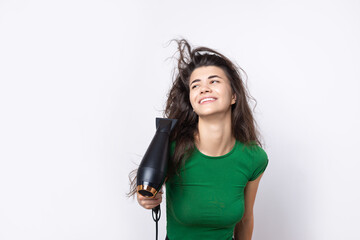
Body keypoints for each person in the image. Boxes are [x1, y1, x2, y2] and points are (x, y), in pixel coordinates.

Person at [129, 39, 269, 240]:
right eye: (196, 85)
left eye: (214, 81)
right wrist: (147, 198)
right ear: (192, 102)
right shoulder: (172, 149)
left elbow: (246, 219)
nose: (204, 89)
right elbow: (148, 190)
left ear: (233, 96)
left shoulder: (254, 158)